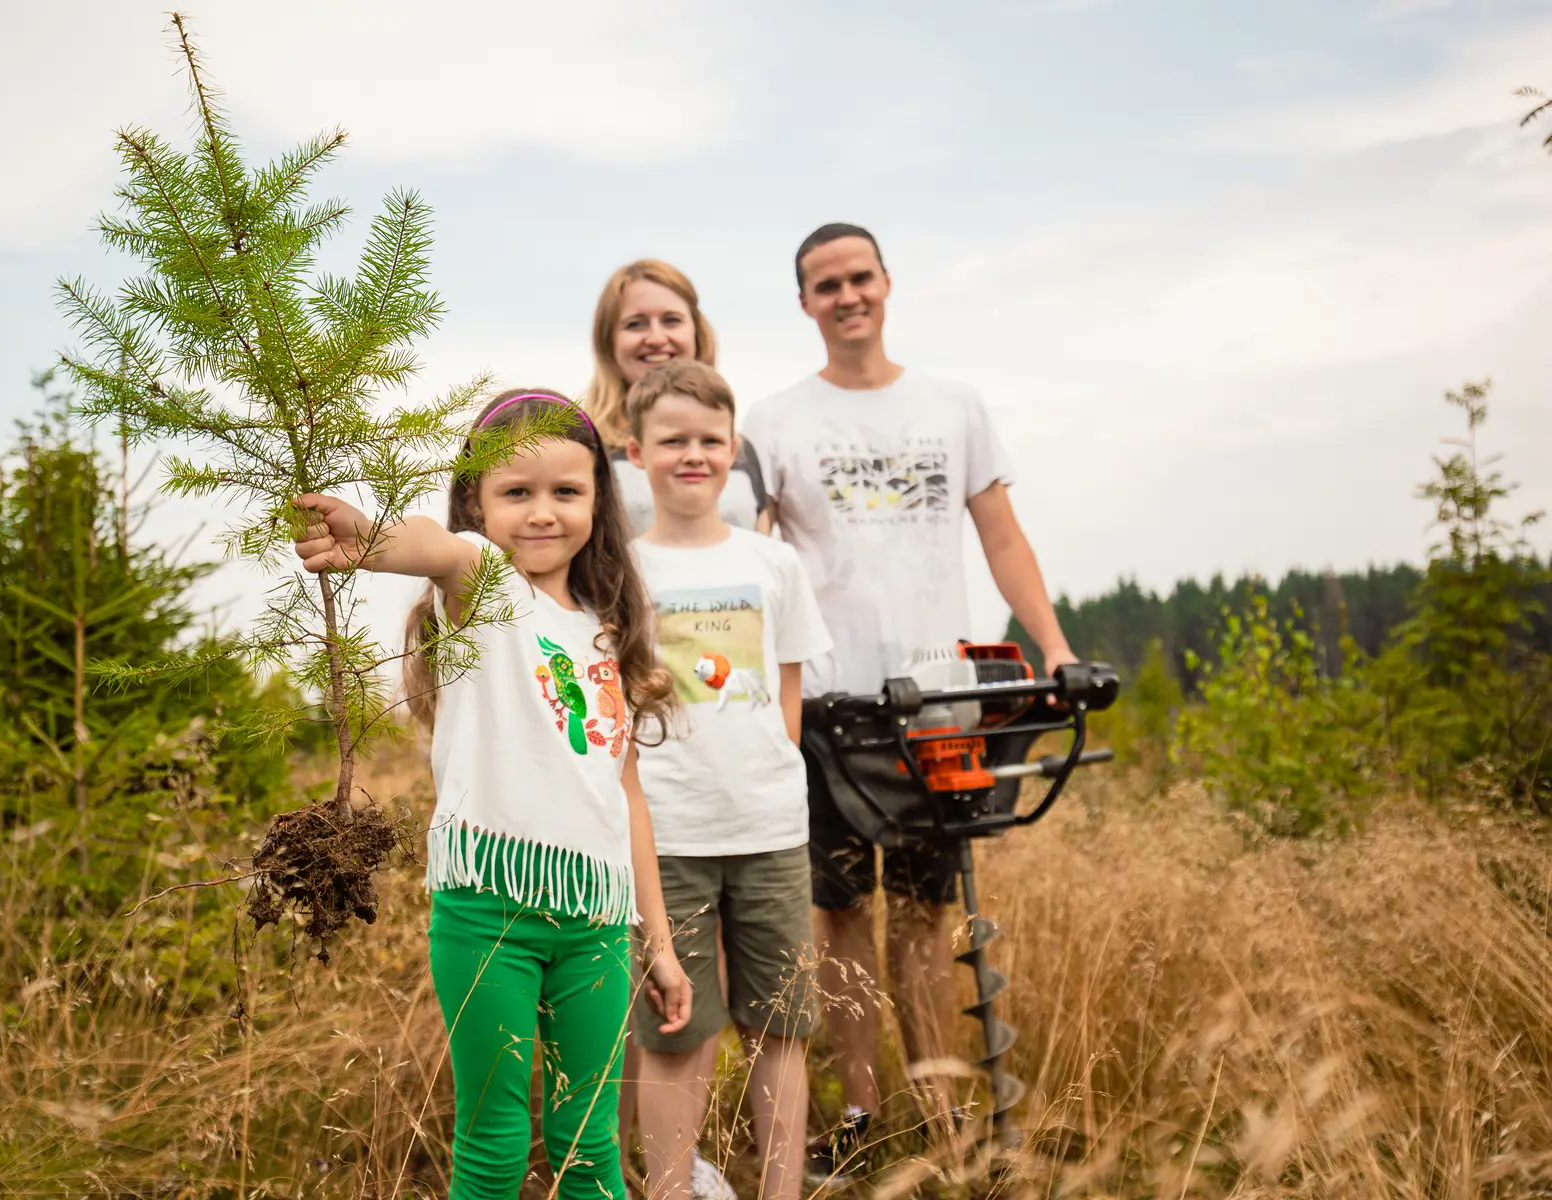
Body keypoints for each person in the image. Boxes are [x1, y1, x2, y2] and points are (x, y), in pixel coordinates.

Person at [292, 388, 694, 1200]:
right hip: (489, 911)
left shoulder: (608, 632)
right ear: (478, 503)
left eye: (565, 492)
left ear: (598, 502)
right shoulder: (486, 592)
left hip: (596, 921)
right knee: (497, 1141)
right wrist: (364, 537)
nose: (542, 514)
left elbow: (627, 799)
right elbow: (438, 550)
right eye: (516, 493)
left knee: (591, 1149)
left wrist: (657, 939)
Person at [741, 224, 1079, 1182]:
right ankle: (860, 1107)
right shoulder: (774, 420)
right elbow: (755, 558)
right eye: (824, 285)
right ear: (803, 303)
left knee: (928, 917)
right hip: (829, 708)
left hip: (940, 703)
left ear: (887, 284)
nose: (846, 296)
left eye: (859, 277)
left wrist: (1051, 648)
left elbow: (1003, 539)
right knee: (837, 915)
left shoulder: (954, 407)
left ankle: (940, 1109)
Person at [624, 362, 833, 1200]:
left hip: (771, 830)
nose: (692, 455)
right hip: (667, 834)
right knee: (675, 1031)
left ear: (733, 448)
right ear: (636, 451)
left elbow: (788, 690)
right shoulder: (622, 571)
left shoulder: (771, 564)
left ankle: (781, 1191)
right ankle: (673, 1189)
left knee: (781, 1027)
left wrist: (760, 772)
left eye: (710, 440)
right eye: (673, 440)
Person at [586, 260, 773, 536]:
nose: (657, 338)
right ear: (608, 341)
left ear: (696, 332)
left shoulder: (742, 452)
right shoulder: (587, 448)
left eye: (671, 320)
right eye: (636, 324)